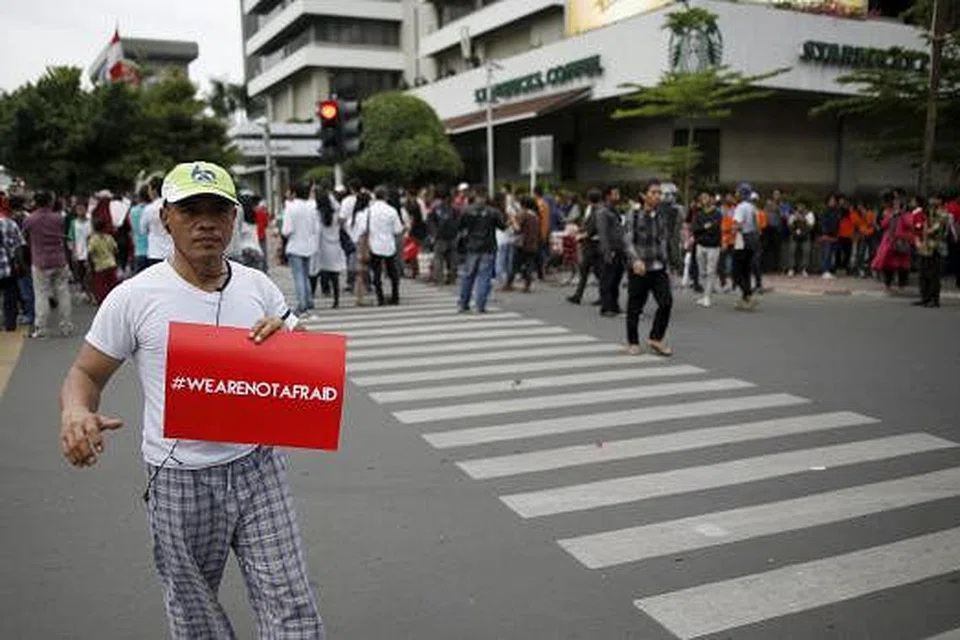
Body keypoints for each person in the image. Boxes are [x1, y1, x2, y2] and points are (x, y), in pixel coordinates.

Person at [58, 161, 324, 638]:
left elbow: (306, 364)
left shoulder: (257, 286)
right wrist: (77, 412)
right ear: (165, 218)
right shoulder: (134, 297)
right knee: (195, 613)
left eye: (218, 210)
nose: (206, 222)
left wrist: (286, 339)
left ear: (234, 219)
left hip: (259, 467)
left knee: (291, 605)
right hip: (180, 479)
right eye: (190, 210)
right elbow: (85, 373)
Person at [624, 179, 672, 357]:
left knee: (666, 302)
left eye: (660, 193)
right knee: (635, 306)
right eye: (654, 192)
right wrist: (635, 260)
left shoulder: (661, 215)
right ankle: (633, 342)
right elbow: (627, 240)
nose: (658, 196)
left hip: (658, 267)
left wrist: (668, 262)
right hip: (640, 268)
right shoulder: (634, 214)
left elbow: (663, 240)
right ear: (644, 195)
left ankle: (655, 338)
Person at [23, 191, 73, 338]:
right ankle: (66, 326)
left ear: (35, 202)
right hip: (59, 259)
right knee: (63, 292)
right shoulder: (59, 218)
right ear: (50, 202)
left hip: (40, 261)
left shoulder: (30, 219)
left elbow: (24, 236)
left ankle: (41, 327)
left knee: (41, 294)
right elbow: (63, 234)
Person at [458, 191, 505, 313]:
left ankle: (463, 304)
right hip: (488, 247)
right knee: (484, 277)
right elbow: (502, 226)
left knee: (468, 276)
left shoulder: (466, 210)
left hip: (472, 246)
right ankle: (480, 305)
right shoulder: (493, 212)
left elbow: (460, 226)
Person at [281, 182, 320, 314]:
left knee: (298, 276)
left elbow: (286, 230)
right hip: (309, 246)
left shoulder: (290, 208)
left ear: (294, 193)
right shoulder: (311, 208)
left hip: (295, 245)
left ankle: (302, 304)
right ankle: (309, 302)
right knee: (306, 275)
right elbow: (315, 228)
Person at [365, 186, 403, 306]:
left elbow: (364, 228)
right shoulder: (392, 210)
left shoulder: (369, 211)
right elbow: (398, 230)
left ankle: (380, 297)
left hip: (374, 244)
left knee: (376, 273)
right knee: (393, 272)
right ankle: (395, 296)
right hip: (389, 245)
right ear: (386, 196)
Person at [871, 191, 913, 293]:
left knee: (903, 266)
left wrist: (901, 215)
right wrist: (890, 216)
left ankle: (901, 286)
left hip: (902, 242)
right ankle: (888, 285)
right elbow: (883, 225)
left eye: (898, 203)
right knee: (887, 265)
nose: (896, 205)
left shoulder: (906, 214)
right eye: (894, 203)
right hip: (889, 242)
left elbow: (910, 224)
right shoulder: (889, 213)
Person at [567, 188, 603, 305]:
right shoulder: (597, 209)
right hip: (595, 245)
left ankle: (579, 296)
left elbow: (592, 229)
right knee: (593, 272)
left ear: (589, 200)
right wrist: (581, 230)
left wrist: (580, 235)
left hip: (592, 245)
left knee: (587, 271)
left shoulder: (596, 211)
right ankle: (580, 295)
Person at [312, 187, 346, 310]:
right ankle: (336, 300)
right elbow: (337, 207)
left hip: (321, 247)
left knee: (316, 274)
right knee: (334, 275)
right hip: (335, 246)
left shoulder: (318, 214)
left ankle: (311, 298)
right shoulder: (335, 213)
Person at [596, 186, 625, 317]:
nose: (618, 196)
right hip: (609, 250)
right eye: (615, 194)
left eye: (618, 193)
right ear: (608, 196)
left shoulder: (614, 211)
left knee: (616, 279)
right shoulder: (603, 212)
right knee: (607, 279)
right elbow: (603, 234)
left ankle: (614, 305)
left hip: (619, 249)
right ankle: (606, 307)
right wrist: (607, 252)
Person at [731, 183, 760, 310]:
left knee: (736, 272)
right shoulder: (753, 207)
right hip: (752, 241)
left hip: (741, 241)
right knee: (746, 271)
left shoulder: (740, 207)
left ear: (742, 193)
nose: (735, 194)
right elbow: (757, 226)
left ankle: (748, 294)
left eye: (737, 192)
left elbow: (737, 224)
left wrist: (732, 230)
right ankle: (745, 300)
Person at [693, 191, 723, 307]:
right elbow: (695, 229)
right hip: (701, 245)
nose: (704, 200)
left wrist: (704, 228)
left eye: (706, 197)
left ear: (711, 199)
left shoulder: (717, 213)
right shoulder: (699, 214)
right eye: (702, 198)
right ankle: (704, 294)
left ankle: (707, 296)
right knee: (702, 271)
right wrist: (705, 227)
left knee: (711, 271)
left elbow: (715, 228)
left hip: (714, 246)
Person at [506, 196, 540, 293]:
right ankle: (527, 286)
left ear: (523, 205)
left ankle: (509, 284)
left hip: (522, 243)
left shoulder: (523, 214)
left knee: (514, 264)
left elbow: (517, 229)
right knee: (529, 265)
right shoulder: (535, 215)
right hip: (532, 243)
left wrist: (512, 220)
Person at [0, 201, 26, 331]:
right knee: (10, 295)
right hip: (7, 267)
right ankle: (10, 323)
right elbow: (18, 247)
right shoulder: (10, 224)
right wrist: (21, 264)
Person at [428, 189, 460, 287]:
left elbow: (431, 223)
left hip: (440, 237)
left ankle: (438, 279)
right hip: (452, 236)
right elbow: (458, 222)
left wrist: (433, 235)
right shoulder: (454, 209)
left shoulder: (435, 209)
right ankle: (452, 278)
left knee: (438, 258)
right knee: (453, 257)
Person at [140, 176, 172, 267]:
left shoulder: (149, 209)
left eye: (149, 189)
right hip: (172, 252)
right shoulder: (173, 207)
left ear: (154, 190)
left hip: (155, 252)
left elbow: (143, 230)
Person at [346, 191, 372, 304]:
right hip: (364, 243)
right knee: (362, 270)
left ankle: (359, 294)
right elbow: (364, 232)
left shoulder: (355, 215)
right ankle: (360, 296)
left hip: (354, 242)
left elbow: (349, 229)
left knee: (358, 270)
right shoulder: (365, 214)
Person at [87, 216, 119, 304]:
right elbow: (116, 249)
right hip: (111, 263)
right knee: (111, 283)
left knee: (101, 284)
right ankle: (113, 299)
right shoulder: (109, 237)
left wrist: (90, 263)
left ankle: (102, 299)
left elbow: (90, 251)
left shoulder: (93, 239)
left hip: (100, 265)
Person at [129, 185, 152, 273]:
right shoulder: (153, 210)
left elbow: (132, 229)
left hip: (138, 250)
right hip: (154, 252)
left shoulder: (133, 211)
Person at [788, 203, 815, 277]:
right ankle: (791, 269)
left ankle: (804, 269)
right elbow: (789, 225)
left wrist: (802, 219)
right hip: (795, 236)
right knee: (792, 251)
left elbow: (811, 225)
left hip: (805, 236)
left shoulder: (809, 214)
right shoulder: (793, 214)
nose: (800, 207)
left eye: (802, 206)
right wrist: (795, 219)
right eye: (799, 206)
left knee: (806, 252)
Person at [819, 194, 841, 278]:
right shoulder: (825, 211)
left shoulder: (836, 211)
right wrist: (824, 233)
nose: (833, 202)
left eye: (834, 200)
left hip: (834, 236)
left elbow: (837, 224)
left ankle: (828, 270)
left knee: (831, 254)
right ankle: (825, 271)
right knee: (826, 253)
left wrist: (836, 234)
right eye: (831, 200)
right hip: (826, 235)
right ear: (827, 201)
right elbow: (823, 223)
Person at [254, 196, 270, 272]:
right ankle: (264, 268)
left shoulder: (253, 213)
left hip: (255, 234)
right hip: (262, 235)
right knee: (264, 252)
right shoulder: (262, 212)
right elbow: (266, 224)